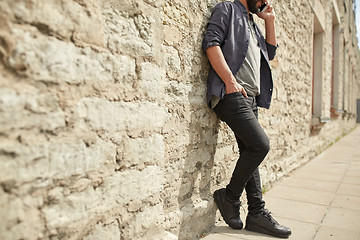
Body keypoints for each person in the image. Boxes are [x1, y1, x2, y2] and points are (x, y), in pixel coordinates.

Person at [202, 0, 291, 238]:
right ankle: (230, 197)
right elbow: (211, 43)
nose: (263, 2)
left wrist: (269, 21)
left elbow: (269, 53)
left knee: (250, 151)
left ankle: (257, 214)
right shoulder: (227, 9)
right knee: (260, 145)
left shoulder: (252, 23)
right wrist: (230, 82)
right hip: (231, 94)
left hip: (251, 98)